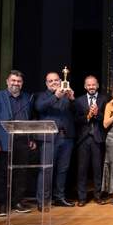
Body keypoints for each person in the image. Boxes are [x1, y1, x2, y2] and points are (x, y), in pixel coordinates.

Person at [0, 70, 34, 216]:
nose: (16, 84)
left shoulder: (27, 98)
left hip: (22, 142)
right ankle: (2, 204)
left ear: (22, 83)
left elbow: (29, 120)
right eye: (13, 81)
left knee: (21, 173)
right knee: (3, 174)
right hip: (3, 142)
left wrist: (30, 139)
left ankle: (17, 202)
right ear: (7, 81)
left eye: (18, 81)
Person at [35, 71, 76, 207]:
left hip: (66, 138)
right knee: (46, 170)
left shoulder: (66, 96)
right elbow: (39, 107)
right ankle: (43, 201)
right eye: (50, 81)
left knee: (63, 169)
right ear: (46, 83)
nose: (54, 83)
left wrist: (72, 99)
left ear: (61, 81)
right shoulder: (42, 96)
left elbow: (77, 112)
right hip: (48, 138)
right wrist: (56, 97)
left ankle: (59, 197)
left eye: (56, 80)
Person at [74, 75, 109, 206]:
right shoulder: (78, 101)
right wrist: (88, 116)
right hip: (83, 139)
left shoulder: (105, 99)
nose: (91, 87)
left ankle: (98, 195)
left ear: (98, 85)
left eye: (93, 84)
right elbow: (76, 120)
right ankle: (82, 197)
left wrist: (97, 114)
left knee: (97, 168)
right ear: (85, 86)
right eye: (89, 85)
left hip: (98, 139)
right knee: (82, 169)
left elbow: (106, 119)